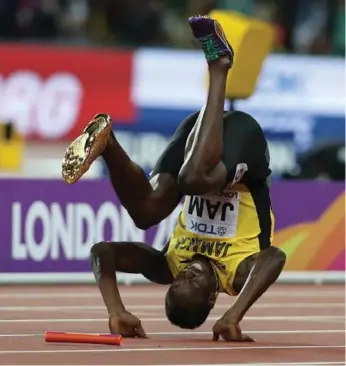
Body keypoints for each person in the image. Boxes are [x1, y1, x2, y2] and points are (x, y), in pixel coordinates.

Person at [62, 15, 286, 342]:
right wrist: (233, 314)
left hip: (199, 136)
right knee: (194, 178)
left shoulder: (169, 265)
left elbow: (102, 251)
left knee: (146, 213)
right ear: (212, 297)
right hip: (242, 146)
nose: (186, 274)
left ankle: (108, 143)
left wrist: (115, 310)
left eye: (178, 282)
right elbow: (276, 257)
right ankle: (220, 65)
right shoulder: (236, 274)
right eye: (192, 284)